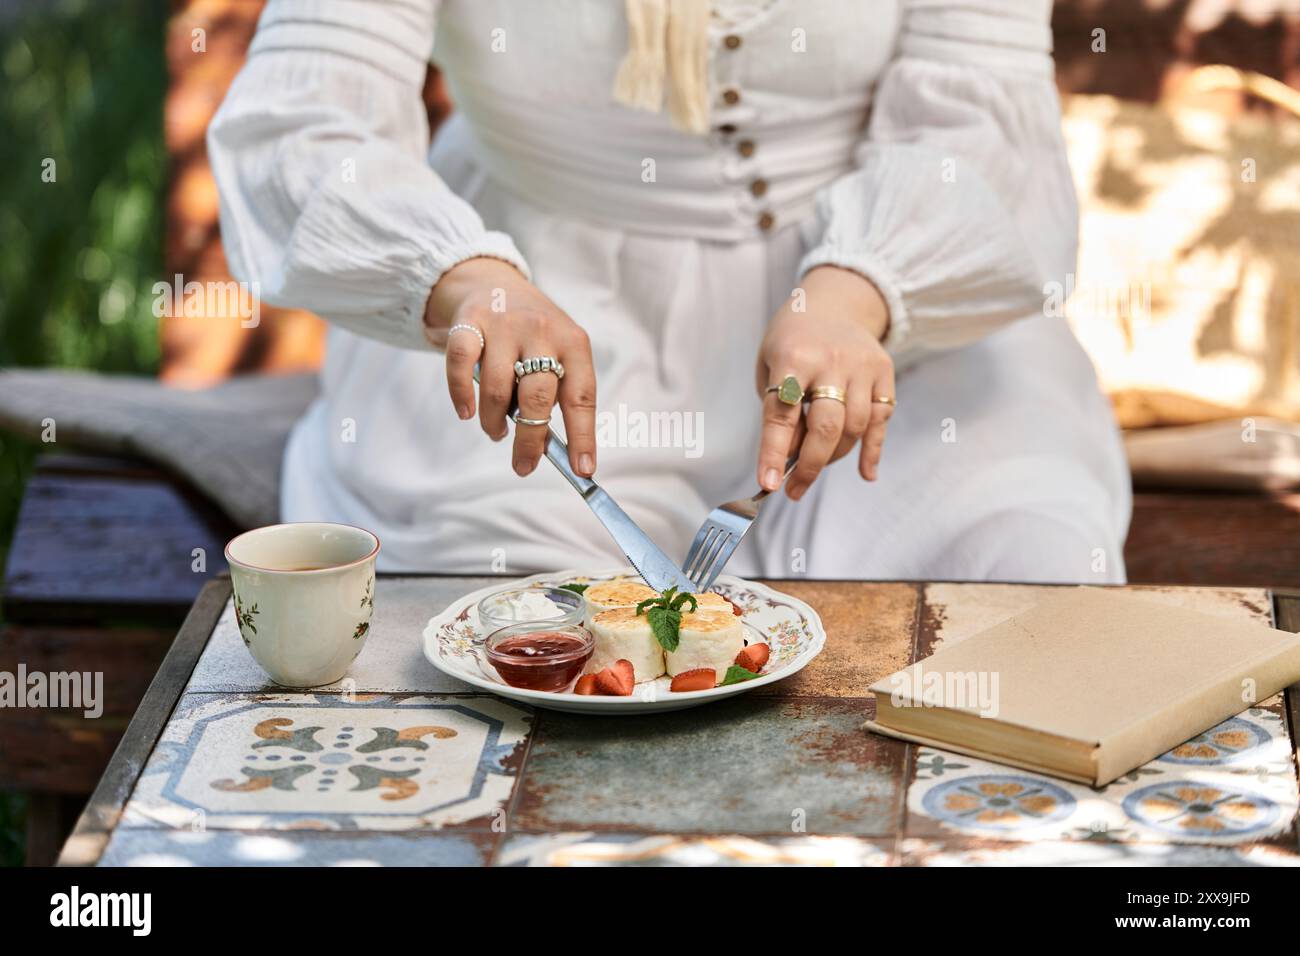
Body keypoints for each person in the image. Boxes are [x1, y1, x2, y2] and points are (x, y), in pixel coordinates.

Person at [208, 0, 1131, 582]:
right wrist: (466, 279)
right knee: (531, 635)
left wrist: (859, 292)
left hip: (886, 327)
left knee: (1024, 561)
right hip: (536, 323)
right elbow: (308, 117)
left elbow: (982, 113)